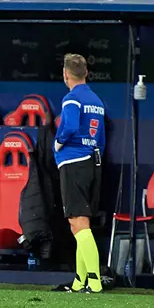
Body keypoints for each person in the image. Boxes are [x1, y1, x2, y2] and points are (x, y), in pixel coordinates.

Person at [51, 53, 106, 294]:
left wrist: (58, 143)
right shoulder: (97, 100)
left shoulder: (71, 99)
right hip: (92, 162)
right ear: (86, 73)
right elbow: (101, 139)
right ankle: (78, 281)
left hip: (74, 162)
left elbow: (70, 127)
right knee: (78, 223)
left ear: (65, 74)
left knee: (78, 221)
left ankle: (94, 282)